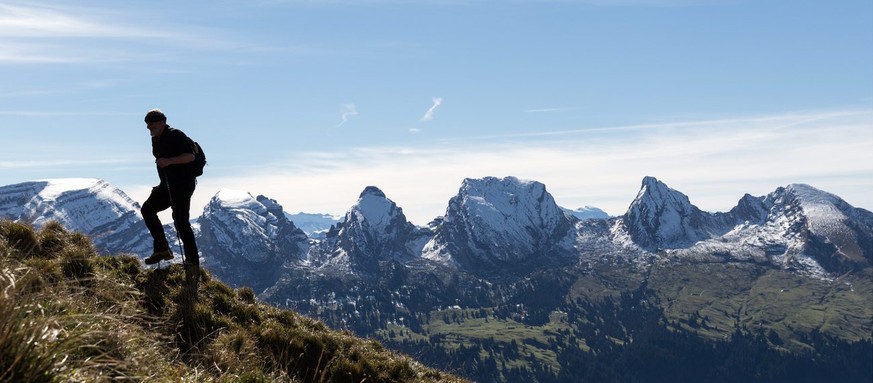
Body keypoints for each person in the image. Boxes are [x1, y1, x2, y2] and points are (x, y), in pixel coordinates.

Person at [141, 109, 200, 267]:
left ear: (162, 122)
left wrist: (169, 161)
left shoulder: (175, 135)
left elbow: (190, 156)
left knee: (181, 221)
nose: (149, 129)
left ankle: (192, 262)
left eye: (151, 125)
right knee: (147, 209)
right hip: (166, 184)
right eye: (147, 126)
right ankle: (162, 249)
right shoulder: (156, 139)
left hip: (183, 184)